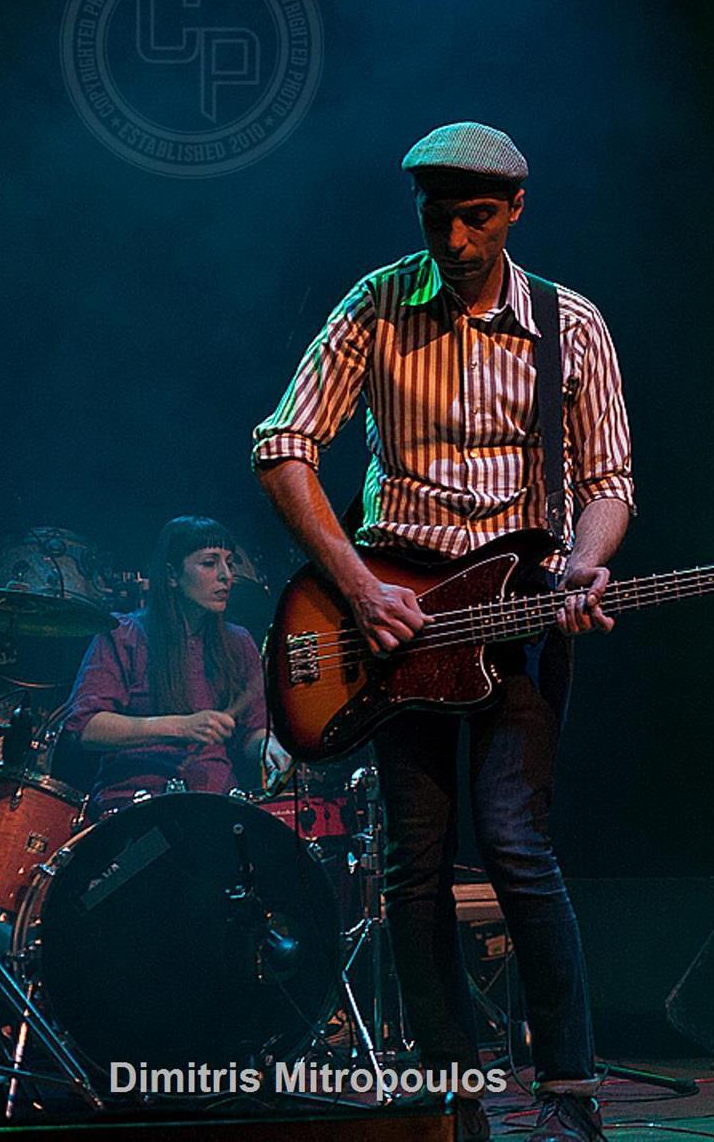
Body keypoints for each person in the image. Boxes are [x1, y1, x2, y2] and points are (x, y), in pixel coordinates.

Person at [252, 122, 633, 1142]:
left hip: (520, 619)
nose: (456, 240)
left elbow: (607, 481)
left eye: (477, 218)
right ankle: (451, 1096)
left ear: (516, 210)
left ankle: (569, 1092)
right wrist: (358, 588)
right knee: (415, 860)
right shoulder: (374, 306)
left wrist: (589, 558)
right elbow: (283, 443)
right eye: (438, 217)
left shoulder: (570, 322)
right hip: (391, 625)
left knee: (515, 841)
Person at [62, 515, 286, 814]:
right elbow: (85, 727)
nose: (226, 576)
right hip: (133, 806)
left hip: (216, 802)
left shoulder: (239, 641)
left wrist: (267, 748)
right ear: (171, 575)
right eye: (209, 563)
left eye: (229, 563)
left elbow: (253, 730)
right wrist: (183, 726)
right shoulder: (122, 633)